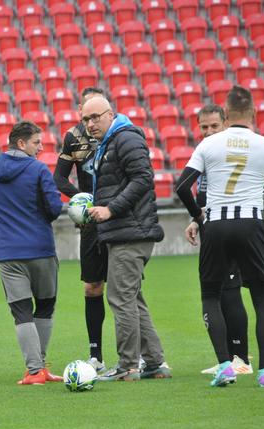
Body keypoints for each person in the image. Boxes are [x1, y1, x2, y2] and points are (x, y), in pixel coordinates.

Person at [176, 86, 264, 388]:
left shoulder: (210, 145)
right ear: (253, 113)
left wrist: (198, 217)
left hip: (217, 224)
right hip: (252, 223)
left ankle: (225, 365)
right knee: (262, 299)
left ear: (225, 115)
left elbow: (182, 187)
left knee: (211, 295)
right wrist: (254, 182)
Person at [82, 96, 171, 382]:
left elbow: (143, 178)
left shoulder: (125, 138)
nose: (90, 124)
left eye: (95, 117)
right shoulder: (112, 141)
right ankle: (155, 362)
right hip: (126, 231)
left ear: (111, 114)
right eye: (86, 119)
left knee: (120, 298)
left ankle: (128, 366)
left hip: (130, 231)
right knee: (132, 298)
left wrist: (111, 209)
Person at [0, 121, 64, 385]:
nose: (40, 148)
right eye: (36, 143)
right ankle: (39, 367)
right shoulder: (38, 170)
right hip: (40, 248)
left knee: (21, 310)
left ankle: (34, 370)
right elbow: (53, 209)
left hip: (8, 252)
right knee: (45, 305)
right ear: (21, 143)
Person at [185, 104, 253, 376]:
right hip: (211, 226)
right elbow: (203, 196)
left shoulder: (229, 153)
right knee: (222, 291)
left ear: (226, 123)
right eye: (204, 127)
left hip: (231, 226)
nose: (209, 131)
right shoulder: (207, 153)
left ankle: (241, 358)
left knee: (231, 291)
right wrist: (195, 219)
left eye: (214, 125)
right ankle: (229, 356)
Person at [53, 87, 109, 374]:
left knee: (127, 289)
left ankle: (136, 353)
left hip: (117, 217)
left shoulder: (119, 133)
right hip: (90, 222)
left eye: (96, 113)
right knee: (92, 286)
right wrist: (81, 199)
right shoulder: (73, 137)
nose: (91, 119)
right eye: (86, 112)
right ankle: (96, 355)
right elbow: (58, 178)